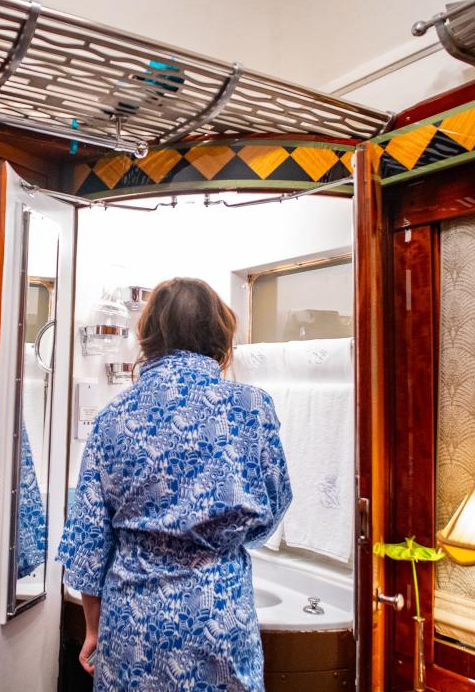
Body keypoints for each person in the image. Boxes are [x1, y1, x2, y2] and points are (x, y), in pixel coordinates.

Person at [56, 277, 292, 691]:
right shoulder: (252, 407)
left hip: (133, 625)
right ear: (220, 334)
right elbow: (272, 507)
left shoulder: (113, 417)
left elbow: (89, 544)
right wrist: (220, 541)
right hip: (220, 617)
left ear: (148, 336)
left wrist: (93, 629)